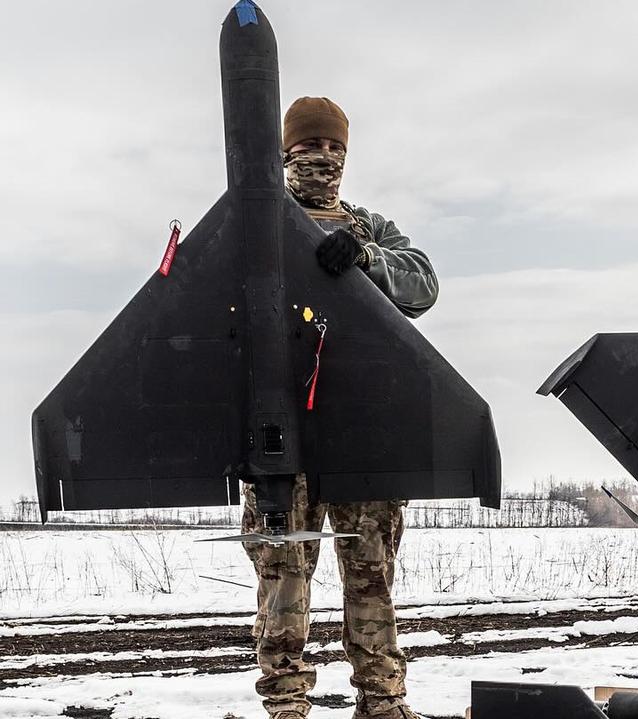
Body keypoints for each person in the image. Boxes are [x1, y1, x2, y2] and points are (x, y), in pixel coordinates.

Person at [241, 96, 437, 719]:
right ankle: (286, 705)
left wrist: (366, 260)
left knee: (371, 577)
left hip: (363, 435)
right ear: (283, 153)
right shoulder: (257, 222)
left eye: (333, 148)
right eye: (307, 146)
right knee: (283, 582)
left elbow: (424, 285)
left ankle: (382, 702)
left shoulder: (372, 229)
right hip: (280, 437)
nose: (322, 157)